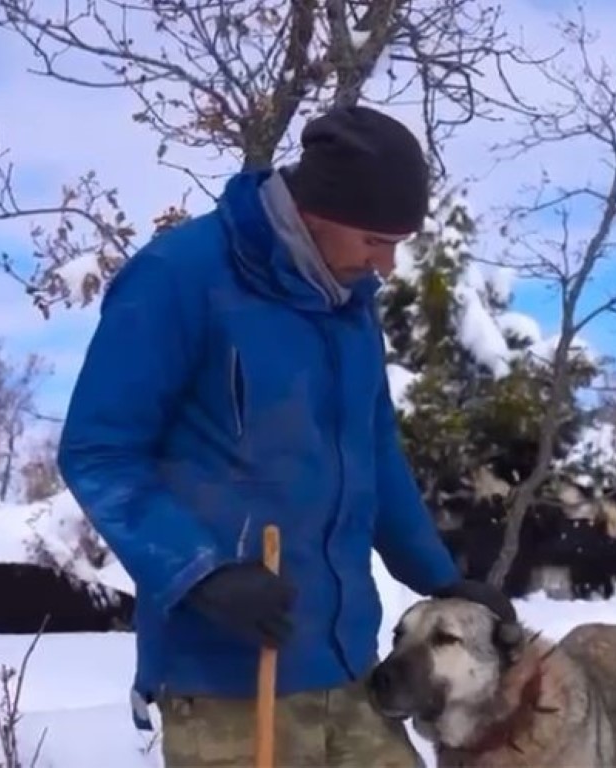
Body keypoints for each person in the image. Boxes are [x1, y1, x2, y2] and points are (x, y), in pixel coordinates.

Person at [57, 105, 512, 767]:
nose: (386, 264)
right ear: (318, 210)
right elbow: (99, 452)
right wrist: (200, 574)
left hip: (348, 668)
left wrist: (440, 578)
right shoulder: (180, 277)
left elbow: (375, 457)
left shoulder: (349, 307)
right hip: (229, 681)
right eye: (374, 239)